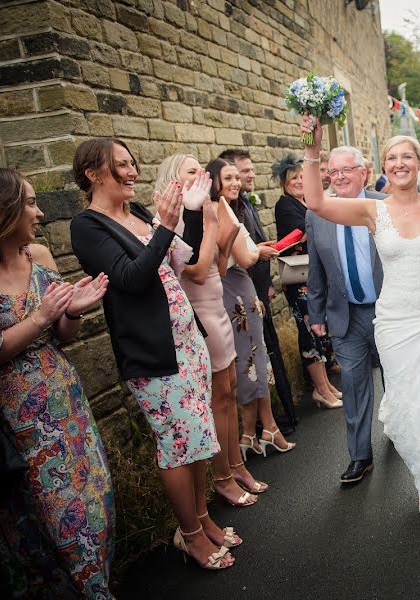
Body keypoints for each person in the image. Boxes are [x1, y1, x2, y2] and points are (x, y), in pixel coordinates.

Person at [300, 118, 420, 520]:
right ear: (383, 166)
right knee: (409, 401)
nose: (399, 163)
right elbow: (317, 202)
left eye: (406, 156)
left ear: (419, 163)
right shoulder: (372, 211)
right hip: (392, 322)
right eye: (391, 158)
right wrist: (312, 149)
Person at [70, 138, 234, 570]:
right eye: (121, 164)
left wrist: (192, 213)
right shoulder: (88, 227)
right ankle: (191, 537)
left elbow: (186, 259)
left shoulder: (140, 214)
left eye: (132, 163)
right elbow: (130, 278)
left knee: (197, 439)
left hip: (188, 340)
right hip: (151, 351)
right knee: (177, 443)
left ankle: (201, 518)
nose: (132, 171)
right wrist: (164, 223)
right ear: (92, 173)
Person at [0, 169, 115, 596]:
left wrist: (72, 312)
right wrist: (41, 317)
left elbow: (65, 337)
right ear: (2, 210)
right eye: (30, 202)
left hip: (64, 398)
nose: (40, 211)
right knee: (50, 519)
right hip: (18, 414)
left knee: (94, 502)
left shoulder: (41, 257)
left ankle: (99, 585)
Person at [155, 154, 264, 507]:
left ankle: (236, 465)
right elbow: (197, 272)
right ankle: (223, 477)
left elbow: (217, 265)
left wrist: (221, 230)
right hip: (198, 310)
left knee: (230, 390)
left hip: (218, 304)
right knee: (218, 397)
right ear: (175, 178)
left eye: (202, 170)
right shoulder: (169, 220)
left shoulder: (205, 211)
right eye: (192, 171)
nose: (202, 175)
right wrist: (214, 228)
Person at [306, 146, 387, 484]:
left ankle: (402, 432)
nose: (337, 176)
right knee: (353, 386)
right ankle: (360, 456)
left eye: (346, 170)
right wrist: (316, 312)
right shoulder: (317, 213)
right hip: (345, 315)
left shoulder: (384, 208)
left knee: (397, 380)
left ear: (363, 172)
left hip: (388, 311)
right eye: (332, 171)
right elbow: (316, 269)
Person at [205, 158, 296, 460]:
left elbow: (242, 251)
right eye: (227, 178)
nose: (235, 183)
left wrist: (257, 248)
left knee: (256, 362)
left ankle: (258, 431)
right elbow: (243, 258)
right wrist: (260, 251)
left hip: (242, 290)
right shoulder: (218, 210)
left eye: (236, 178)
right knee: (249, 363)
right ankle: (258, 431)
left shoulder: (225, 208)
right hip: (235, 293)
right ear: (213, 180)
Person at [273, 154, 343, 408]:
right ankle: (320, 389)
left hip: (312, 274)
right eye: (294, 178)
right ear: (285, 182)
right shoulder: (285, 204)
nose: (299, 182)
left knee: (318, 332)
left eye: (303, 177)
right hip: (298, 280)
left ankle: (326, 387)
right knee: (308, 330)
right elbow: (300, 234)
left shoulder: (304, 202)